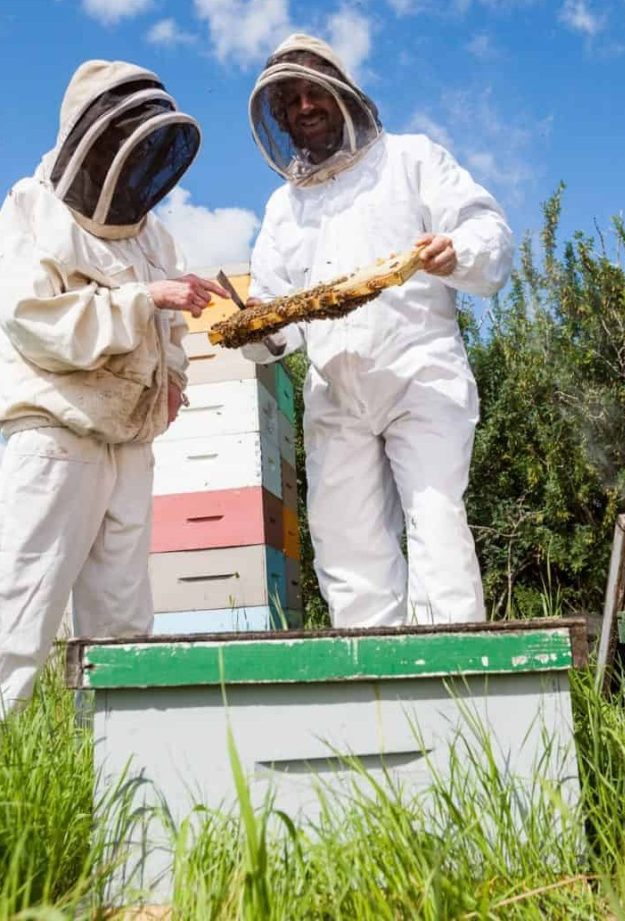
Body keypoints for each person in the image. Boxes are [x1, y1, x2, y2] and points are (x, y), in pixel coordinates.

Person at [243, 34, 513, 628]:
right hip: (336, 394)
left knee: (436, 523)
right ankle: (377, 697)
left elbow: (485, 231)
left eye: (314, 92)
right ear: (280, 118)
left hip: (421, 375)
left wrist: (455, 250)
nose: (304, 107)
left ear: (344, 94)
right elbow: (279, 315)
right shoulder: (284, 208)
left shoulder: (412, 159)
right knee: (346, 543)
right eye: (290, 101)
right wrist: (260, 332)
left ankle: (460, 692)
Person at [0, 60, 226, 716]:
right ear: (90, 137)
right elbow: (36, 325)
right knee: (20, 609)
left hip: (130, 437)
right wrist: (144, 297)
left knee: (124, 622)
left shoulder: (154, 233)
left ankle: (121, 771)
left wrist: (175, 377)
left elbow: (171, 329)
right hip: (56, 432)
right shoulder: (29, 210)